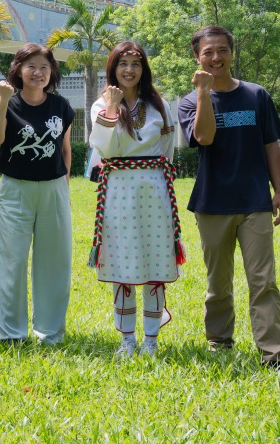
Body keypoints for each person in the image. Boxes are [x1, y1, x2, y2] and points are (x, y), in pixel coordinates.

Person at [177, 25, 280, 368]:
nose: (216, 58)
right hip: (212, 204)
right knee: (218, 283)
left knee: (263, 281)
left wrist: (279, 191)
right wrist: (204, 94)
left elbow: (271, 144)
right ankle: (219, 341)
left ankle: (272, 353)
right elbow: (205, 137)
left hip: (255, 202)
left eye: (222, 50)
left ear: (232, 52)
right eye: (208, 52)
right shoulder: (188, 101)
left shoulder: (257, 95)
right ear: (197, 58)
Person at [86, 42, 185, 358]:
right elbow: (105, 148)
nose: (129, 70)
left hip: (154, 191)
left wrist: (156, 173)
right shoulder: (100, 105)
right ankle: (127, 340)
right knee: (123, 266)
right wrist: (112, 110)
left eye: (136, 64)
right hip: (118, 192)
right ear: (113, 68)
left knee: (154, 264)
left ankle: (151, 341)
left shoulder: (159, 105)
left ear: (144, 69)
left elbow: (168, 146)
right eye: (123, 64)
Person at [0, 43, 75, 345]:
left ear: (51, 73)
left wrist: (63, 184)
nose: (38, 73)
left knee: (55, 261)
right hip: (15, 189)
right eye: (31, 67)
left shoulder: (61, 105)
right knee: (12, 260)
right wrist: (1, 101)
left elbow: (65, 149)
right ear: (18, 70)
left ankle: (49, 332)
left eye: (44, 67)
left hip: (54, 189)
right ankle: (11, 333)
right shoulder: (6, 101)